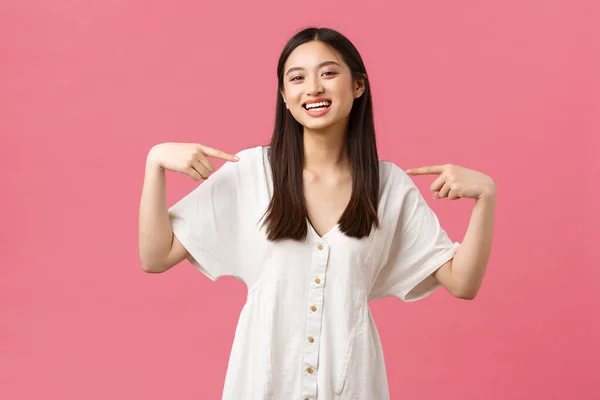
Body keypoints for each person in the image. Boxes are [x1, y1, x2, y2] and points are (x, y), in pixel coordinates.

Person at [138, 27, 496, 400]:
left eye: (328, 73)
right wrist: (155, 165)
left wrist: (486, 197)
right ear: (285, 96)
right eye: (297, 78)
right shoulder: (250, 173)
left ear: (358, 86)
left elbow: (462, 283)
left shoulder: (388, 186)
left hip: (353, 386)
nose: (313, 88)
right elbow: (155, 256)